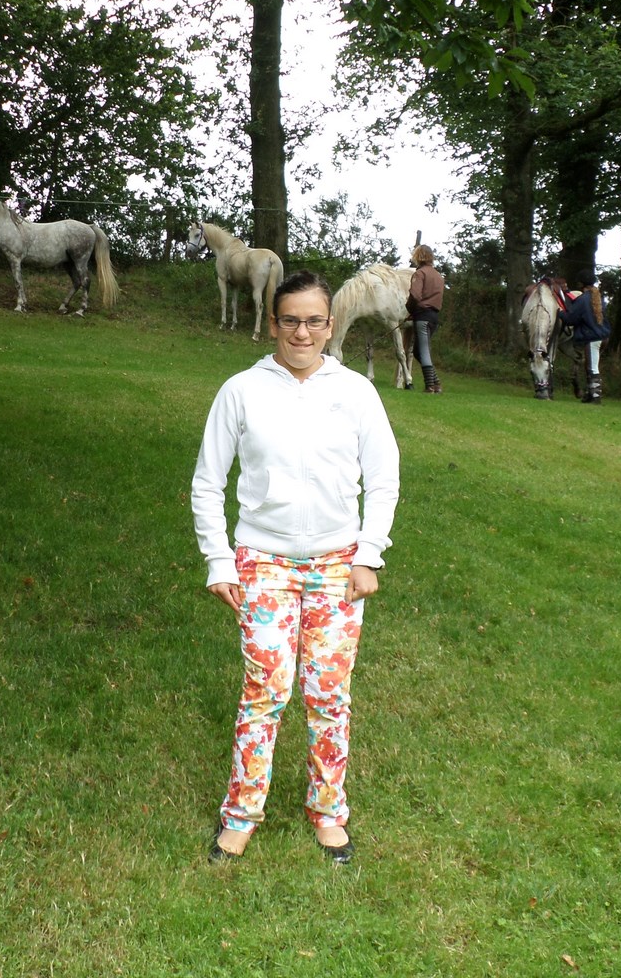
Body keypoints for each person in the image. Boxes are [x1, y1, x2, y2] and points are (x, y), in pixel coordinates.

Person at [191, 270, 401, 867]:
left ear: (330, 325)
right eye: (290, 320)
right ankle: (240, 815)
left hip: (338, 566)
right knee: (265, 691)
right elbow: (207, 483)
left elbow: (383, 477)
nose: (302, 332)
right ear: (273, 324)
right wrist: (218, 560)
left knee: (329, 695)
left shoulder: (356, 392)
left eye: (313, 321)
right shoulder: (241, 390)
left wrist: (368, 554)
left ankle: (329, 812)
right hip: (262, 563)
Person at [558, 268, 611, 403]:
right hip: (603, 336)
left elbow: (571, 319)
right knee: (591, 364)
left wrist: (560, 313)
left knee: (592, 367)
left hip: (592, 337)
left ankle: (595, 396)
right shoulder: (599, 297)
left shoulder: (582, 300)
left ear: (581, 284)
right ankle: (589, 393)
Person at [406, 244, 445, 393]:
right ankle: (436, 383)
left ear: (418, 256)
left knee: (423, 350)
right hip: (434, 317)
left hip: (422, 316)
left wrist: (410, 309)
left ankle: (430, 386)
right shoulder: (438, 276)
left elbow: (415, 295)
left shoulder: (420, 273)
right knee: (418, 351)